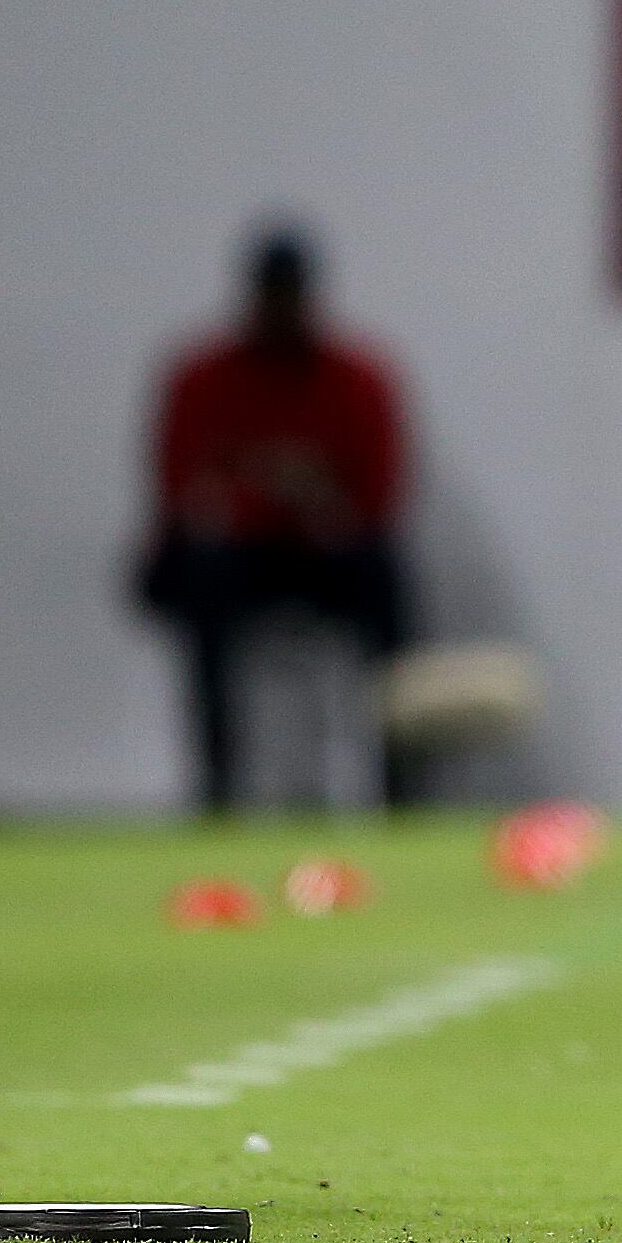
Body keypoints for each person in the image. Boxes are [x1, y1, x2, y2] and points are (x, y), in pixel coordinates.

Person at [136, 229, 409, 813]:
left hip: (328, 555)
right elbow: (180, 487)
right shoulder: (204, 376)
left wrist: (306, 495)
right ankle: (218, 786)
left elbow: (379, 497)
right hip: (240, 555)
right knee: (199, 578)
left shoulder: (357, 377)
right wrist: (267, 492)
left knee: (386, 580)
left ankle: (400, 788)